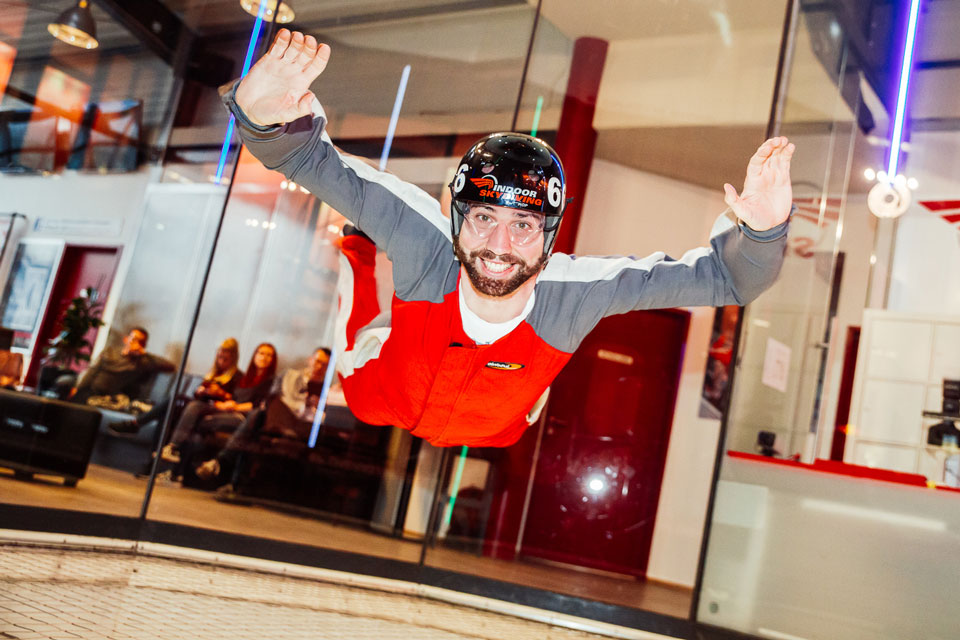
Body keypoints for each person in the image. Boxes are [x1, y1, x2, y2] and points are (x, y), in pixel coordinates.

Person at [221, 29, 795, 448]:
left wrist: (764, 230)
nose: (499, 245)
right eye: (483, 219)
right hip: (384, 391)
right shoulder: (429, 245)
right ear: (456, 220)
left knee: (504, 422)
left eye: (523, 226)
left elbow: (726, 280)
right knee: (360, 307)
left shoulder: (579, 291)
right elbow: (318, 165)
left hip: (495, 426)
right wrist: (265, 117)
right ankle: (360, 246)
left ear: (548, 237)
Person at [193, 347, 331, 484]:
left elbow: (322, 417)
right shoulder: (291, 377)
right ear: (310, 360)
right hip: (275, 419)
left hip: (298, 426)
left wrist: (316, 406)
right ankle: (231, 479)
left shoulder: (325, 390)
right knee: (257, 418)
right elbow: (272, 398)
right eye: (317, 361)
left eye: (324, 365)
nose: (319, 366)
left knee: (255, 420)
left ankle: (222, 465)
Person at [160, 342, 278, 463]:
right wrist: (220, 397)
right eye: (261, 353)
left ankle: (182, 465)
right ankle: (173, 447)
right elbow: (233, 397)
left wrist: (234, 406)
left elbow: (259, 405)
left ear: (273, 360)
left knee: (200, 421)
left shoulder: (271, 382)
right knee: (194, 406)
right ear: (255, 355)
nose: (264, 357)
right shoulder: (246, 378)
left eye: (269, 355)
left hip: (242, 417)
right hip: (228, 409)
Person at [72, 327, 175, 407]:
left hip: (105, 398)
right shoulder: (109, 351)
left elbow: (170, 366)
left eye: (141, 342)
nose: (136, 343)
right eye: (134, 339)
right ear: (126, 339)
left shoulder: (141, 362)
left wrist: (143, 353)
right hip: (89, 390)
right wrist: (77, 388)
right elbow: (92, 371)